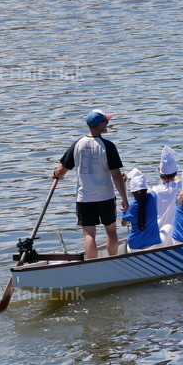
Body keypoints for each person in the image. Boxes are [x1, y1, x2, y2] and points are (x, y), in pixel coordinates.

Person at [53, 110, 129, 259]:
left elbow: (62, 170)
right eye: (106, 122)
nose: (107, 124)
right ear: (99, 124)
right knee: (111, 232)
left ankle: (92, 263)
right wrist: (125, 199)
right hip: (105, 197)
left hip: (84, 198)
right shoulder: (108, 146)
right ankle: (112, 260)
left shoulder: (77, 145)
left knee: (89, 234)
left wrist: (56, 174)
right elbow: (116, 177)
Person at [121, 169, 162, 252]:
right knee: (168, 227)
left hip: (134, 246)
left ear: (132, 192)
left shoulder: (129, 205)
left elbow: (123, 224)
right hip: (154, 244)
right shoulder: (153, 197)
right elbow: (149, 189)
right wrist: (130, 175)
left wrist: (124, 211)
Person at [150, 146, 182, 242]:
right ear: (176, 173)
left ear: (160, 175)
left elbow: (166, 182)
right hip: (176, 233)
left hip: (159, 233)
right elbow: (176, 180)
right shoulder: (182, 186)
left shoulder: (155, 191)